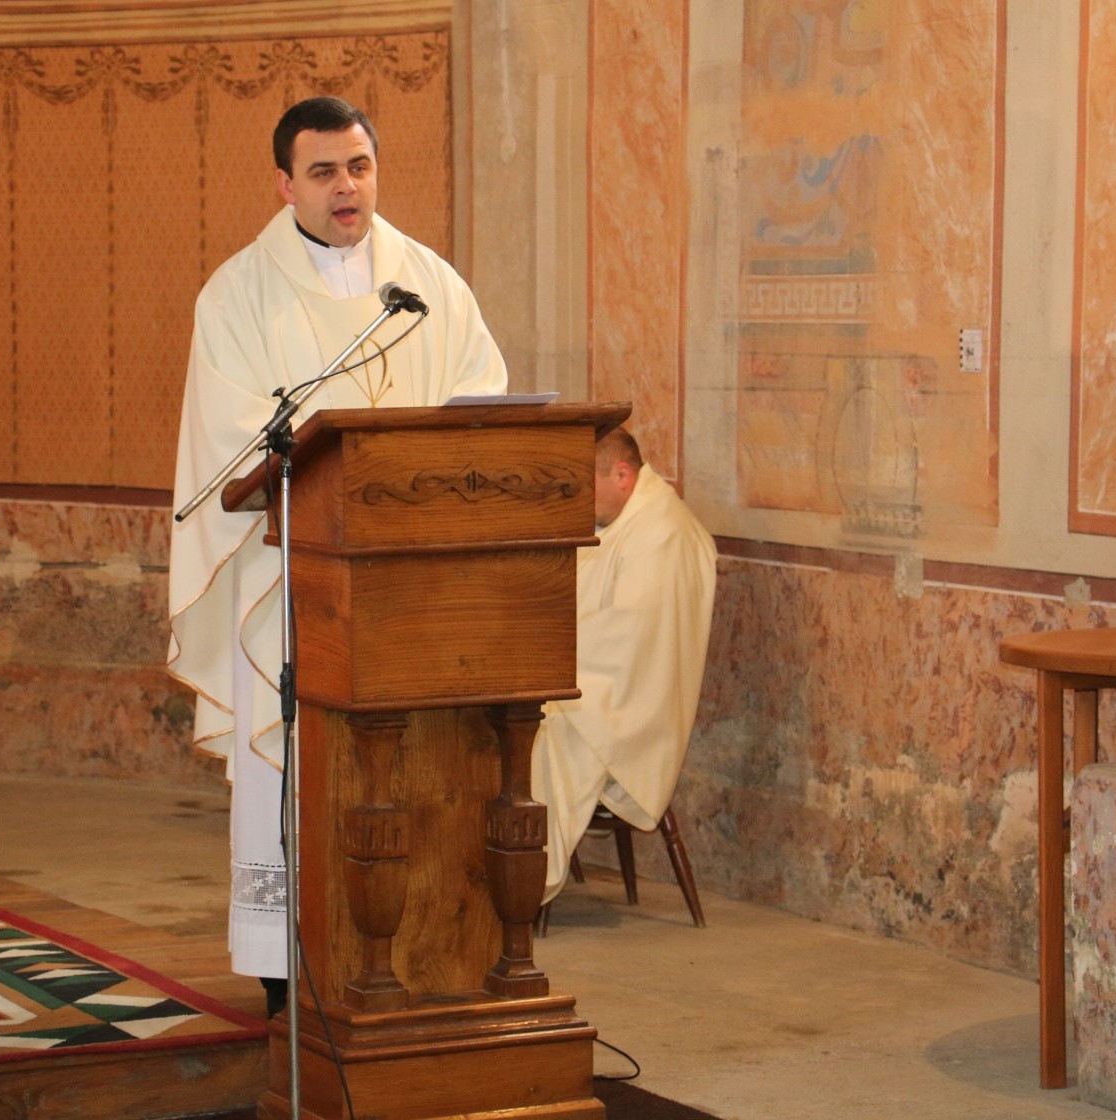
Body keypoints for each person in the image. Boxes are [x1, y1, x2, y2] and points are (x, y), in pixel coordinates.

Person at [166, 97, 507, 1011]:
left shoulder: (432, 284)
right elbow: (233, 440)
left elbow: (480, 402)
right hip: (293, 582)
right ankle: (290, 971)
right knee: (295, 772)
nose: (345, 187)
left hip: (411, 584)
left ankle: (428, 947)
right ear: (285, 185)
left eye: (359, 166)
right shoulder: (239, 295)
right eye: (322, 172)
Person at [531, 426, 717, 901]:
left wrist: (541, 656)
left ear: (622, 475)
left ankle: (526, 879)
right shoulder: (622, 521)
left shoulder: (662, 532)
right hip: (609, 681)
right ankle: (497, 868)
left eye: (585, 485)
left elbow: (629, 637)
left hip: (636, 705)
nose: (579, 499)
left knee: (539, 727)